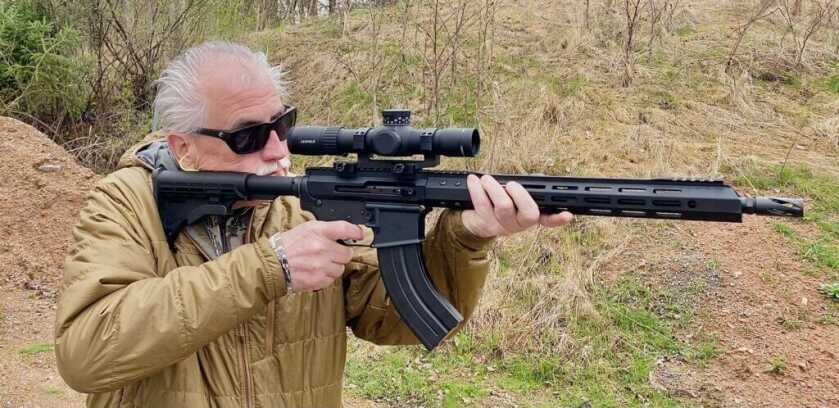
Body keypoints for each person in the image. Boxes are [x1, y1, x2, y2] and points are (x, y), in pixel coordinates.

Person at [54, 41, 573, 408]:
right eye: (248, 137)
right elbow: (86, 354)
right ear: (182, 147)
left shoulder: (299, 204)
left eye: (282, 125)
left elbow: (400, 320)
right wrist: (270, 266)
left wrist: (464, 238)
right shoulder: (126, 202)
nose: (278, 150)